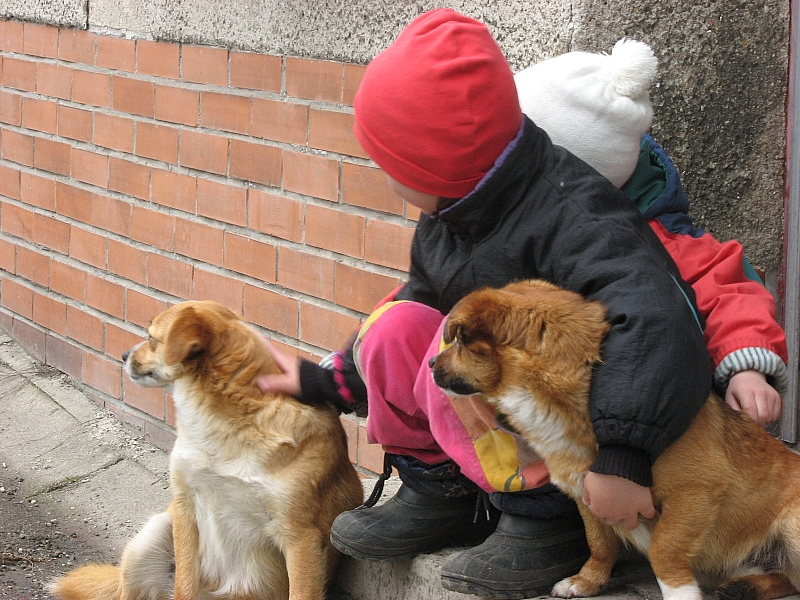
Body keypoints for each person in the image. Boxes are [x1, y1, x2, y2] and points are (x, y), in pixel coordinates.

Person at [259, 9, 714, 598]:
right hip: (511, 430)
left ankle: (545, 516)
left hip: (582, 448)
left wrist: (623, 457)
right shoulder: (449, 216)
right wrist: (325, 382)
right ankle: (442, 489)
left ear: (435, 163)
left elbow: (657, 323)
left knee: (469, 349)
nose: (385, 176)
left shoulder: (577, 215)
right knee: (399, 324)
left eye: (391, 164)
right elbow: (417, 299)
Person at [514, 39, 788, 425]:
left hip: (641, 415)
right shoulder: (512, 219)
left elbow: (731, 292)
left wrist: (746, 368)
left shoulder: (661, 241)